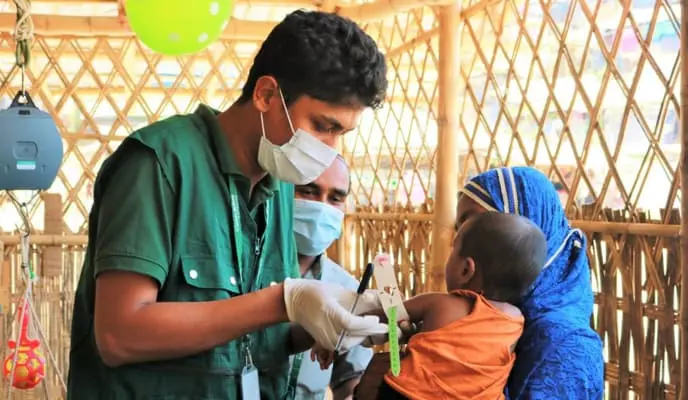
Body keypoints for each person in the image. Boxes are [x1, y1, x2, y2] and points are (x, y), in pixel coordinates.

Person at [67, 10, 388, 400]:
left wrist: (323, 321)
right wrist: (283, 300)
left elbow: (253, 337)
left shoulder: (279, 186)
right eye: (324, 126)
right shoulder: (160, 164)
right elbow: (119, 335)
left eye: (343, 133)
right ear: (266, 95)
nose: (332, 149)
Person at [320, 212, 548, 399]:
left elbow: (379, 317)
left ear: (466, 270)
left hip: (406, 395)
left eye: (453, 250)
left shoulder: (439, 304)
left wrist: (333, 338)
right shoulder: (516, 322)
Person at [458, 166, 605, 399]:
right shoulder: (486, 319)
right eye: (460, 234)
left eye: (475, 230)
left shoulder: (564, 347)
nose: (458, 248)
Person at [288, 155, 374, 399]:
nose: (321, 206)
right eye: (308, 191)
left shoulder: (347, 289)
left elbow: (351, 381)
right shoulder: (244, 274)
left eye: (335, 198)